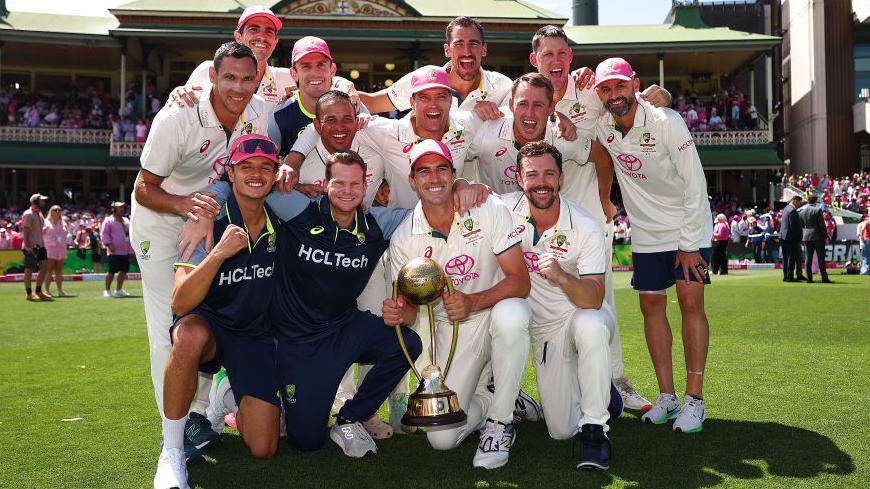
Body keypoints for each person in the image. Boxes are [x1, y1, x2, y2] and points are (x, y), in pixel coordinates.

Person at [131, 41, 271, 460]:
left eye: (248, 78)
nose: (239, 87)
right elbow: (143, 187)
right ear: (212, 76)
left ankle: (199, 411)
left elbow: (258, 166)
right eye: (230, 77)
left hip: (212, 218)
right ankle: (172, 427)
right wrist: (186, 205)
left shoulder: (260, 112)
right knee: (168, 327)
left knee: (206, 315)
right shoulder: (177, 116)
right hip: (162, 220)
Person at [530, 24, 673, 410]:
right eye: (548, 55)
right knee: (541, 304)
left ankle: (616, 381)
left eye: (562, 54)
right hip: (540, 221)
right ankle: (536, 390)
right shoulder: (525, 97)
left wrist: (605, 199)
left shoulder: (591, 92)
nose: (556, 62)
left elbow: (617, 124)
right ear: (535, 60)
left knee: (602, 300)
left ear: (571, 58)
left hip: (589, 217)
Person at [384, 140, 532, 469]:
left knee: (513, 313)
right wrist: (398, 313)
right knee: (441, 439)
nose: (434, 178)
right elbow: (409, 309)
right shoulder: (403, 238)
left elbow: (520, 281)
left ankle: (501, 421)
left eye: (441, 169)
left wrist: (473, 301)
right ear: (412, 179)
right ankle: (498, 394)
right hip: (446, 333)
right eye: (424, 171)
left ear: (454, 174)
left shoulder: (488, 209)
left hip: (491, 315)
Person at [154, 135, 285, 489]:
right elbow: (180, 302)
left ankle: (228, 394)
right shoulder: (207, 219)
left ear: (275, 175)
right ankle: (172, 450)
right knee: (189, 334)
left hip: (251, 335)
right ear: (231, 173)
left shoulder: (280, 220)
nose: (255, 174)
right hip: (208, 327)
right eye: (246, 167)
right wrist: (219, 253)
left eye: (264, 167)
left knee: (263, 448)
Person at [593, 57, 713, 433]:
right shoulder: (601, 126)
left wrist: (690, 243)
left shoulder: (667, 121)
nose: (614, 95)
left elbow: (695, 183)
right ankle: (667, 396)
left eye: (620, 86)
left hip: (686, 226)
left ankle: (695, 399)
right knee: (650, 307)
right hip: (646, 232)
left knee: (691, 302)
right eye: (606, 89)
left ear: (635, 84)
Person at [503, 141, 617, 470]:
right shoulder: (504, 212)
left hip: (580, 312)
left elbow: (594, 298)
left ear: (561, 178)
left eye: (549, 174)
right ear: (519, 178)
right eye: (533, 174)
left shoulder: (585, 226)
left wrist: (563, 277)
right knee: (560, 430)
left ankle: (596, 431)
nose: (541, 182)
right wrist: (463, 184)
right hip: (544, 331)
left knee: (591, 324)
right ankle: (605, 394)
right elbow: (462, 196)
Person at [359, 16, 511, 120]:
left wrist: (500, 113)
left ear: (484, 49)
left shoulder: (502, 86)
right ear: (447, 50)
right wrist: (343, 85)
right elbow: (372, 103)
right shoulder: (424, 78)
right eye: (458, 44)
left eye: (474, 43)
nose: (467, 51)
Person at [268, 36, 360, 156]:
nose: (315, 73)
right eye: (306, 66)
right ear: (294, 73)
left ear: (332, 70)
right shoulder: (278, 116)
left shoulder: (353, 106)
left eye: (321, 65)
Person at [101, 202, 134, 298]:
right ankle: (107, 290)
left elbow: (129, 232)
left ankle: (119, 289)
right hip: (114, 251)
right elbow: (104, 234)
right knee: (111, 271)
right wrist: (108, 244)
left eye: (123, 208)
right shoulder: (108, 221)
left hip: (126, 250)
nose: (122, 209)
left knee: (124, 271)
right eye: (120, 208)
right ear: (114, 209)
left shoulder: (126, 220)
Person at [21, 194, 50, 301]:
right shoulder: (28, 214)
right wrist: (27, 245)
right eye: (42, 200)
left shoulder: (39, 213)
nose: (44, 202)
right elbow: (25, 230)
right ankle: (29, 293)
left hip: (40, 245)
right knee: (29, 269)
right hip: (31, 246)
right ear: (36, 201)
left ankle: (38, 291)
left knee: (45, 267)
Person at [799, 193, 831, 283]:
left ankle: (809, 278)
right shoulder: (817, 210)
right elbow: (822, 226)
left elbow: (800, 226)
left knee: (808, 259)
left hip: (806, 237)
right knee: (821, 258)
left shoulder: (802, 212)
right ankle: (824, 278)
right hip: (817, 237)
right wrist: (826, 237)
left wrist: (802, 237)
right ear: (816, 201)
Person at [42, 205, 70, 297]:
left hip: (60, 248)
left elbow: (66, 233)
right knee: (49, 269)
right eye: (55, 210)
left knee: (59, 270)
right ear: (51, 211)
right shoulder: (46, 222)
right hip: (49, 248)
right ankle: (47, 290)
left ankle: (60, 290)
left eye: (59, 210)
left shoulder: (63, 222)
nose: (57, 211)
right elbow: (41, 233)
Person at [779, 195, 805, 281]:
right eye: (799, 202)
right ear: (794, 200)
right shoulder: (792, 211)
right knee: (792, 258)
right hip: (791, 238)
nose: (799, 205)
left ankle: (786, 275)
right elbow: (793, 227)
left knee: (786, 258)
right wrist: (799, 238)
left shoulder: (786, 209)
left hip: (783, 236)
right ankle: (789, 277)